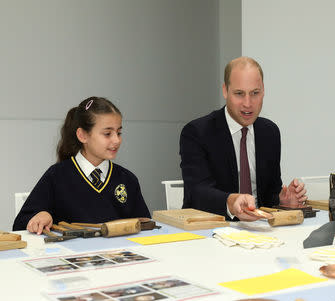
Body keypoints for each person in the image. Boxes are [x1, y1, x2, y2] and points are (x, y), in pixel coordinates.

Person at [179, 56, 307, 221]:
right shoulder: (197, 132)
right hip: (211, 230)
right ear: (225, 91)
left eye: (255, 93)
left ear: (264, 91)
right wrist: (231, 201)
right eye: (239, 94)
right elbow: (197, 192)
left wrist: (282, 201)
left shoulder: (270, 132)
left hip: (259, 231)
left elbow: (269, 193)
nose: (248, 103)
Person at [13, 97, 151, 233]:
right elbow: (20, 224)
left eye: (119, 133)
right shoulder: (56, 176)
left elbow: (145, 225)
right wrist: (42, 215)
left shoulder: (128, 179)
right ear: (82, 135)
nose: (116, 140)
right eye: (107, 133)